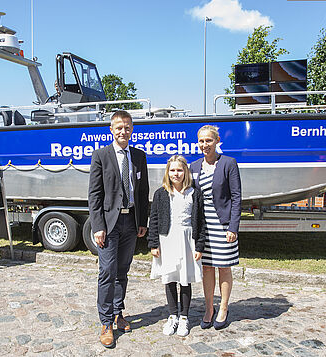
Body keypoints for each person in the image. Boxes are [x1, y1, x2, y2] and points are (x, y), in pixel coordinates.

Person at [88, 110, 149, 348]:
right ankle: (105, 323)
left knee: (122, 271)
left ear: (131, 129)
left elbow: (142, 192)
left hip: (131, 222)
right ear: (111, 130)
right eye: (118, 128)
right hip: (109, 224)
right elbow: (94, 195)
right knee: (107, 272)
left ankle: (117, 312)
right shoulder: (100, 156)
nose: (123, 131)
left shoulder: (139, 156)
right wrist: (98, 226)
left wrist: (142, 221)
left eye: (127, 127)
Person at [189, 125, 241, 330]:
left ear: (217, 140)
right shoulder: (194, 166)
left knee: (224, 267)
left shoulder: (228, 163)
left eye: (208, 140)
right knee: (207, 267)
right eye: (201, 141)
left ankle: (224, 308)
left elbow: (237, 197)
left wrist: (233, 227)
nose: (204, 145)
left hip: (223, 225)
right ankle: (209, 308)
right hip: (204, 227)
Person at [147, 155, 206, 337]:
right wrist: (153, 243)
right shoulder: (161, 193)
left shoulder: (194, 194)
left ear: (185, 171)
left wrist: (199, 246)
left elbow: (201, 222)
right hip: (167, 240)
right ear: (168, 172)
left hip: (188, 240)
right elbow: (154, 219)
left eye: (180, 170)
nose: (176, 173)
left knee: (185, 279)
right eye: (172, 170)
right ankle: (172, 315)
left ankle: (184, 318)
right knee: (170, 278)